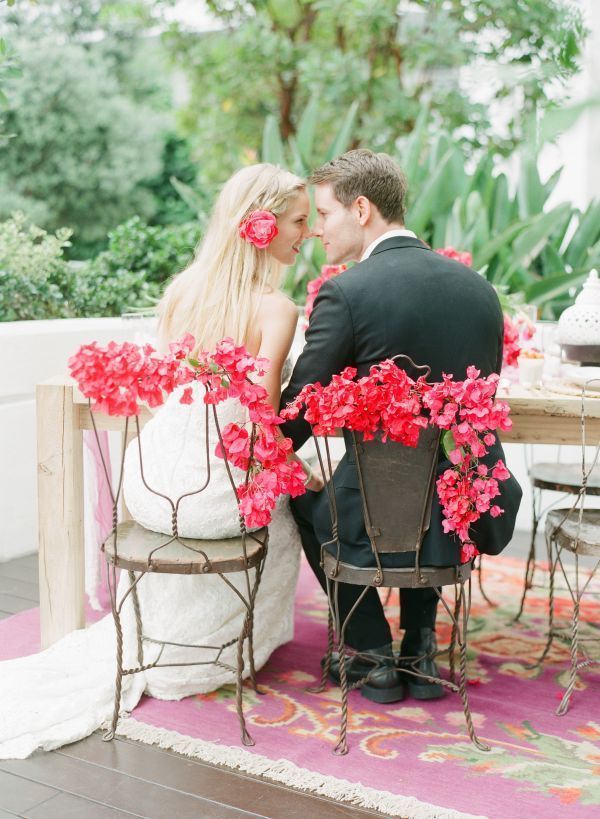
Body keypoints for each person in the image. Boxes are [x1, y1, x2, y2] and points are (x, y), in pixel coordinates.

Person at [0, 163, 318, 759]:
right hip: (216, 496)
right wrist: (303, 471)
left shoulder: (182, 292)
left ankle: (164, 636)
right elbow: (263, 419)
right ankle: (223, 652)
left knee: (240, 505)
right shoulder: (276, 309)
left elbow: (170, 394)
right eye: (300, 221)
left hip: (153, 481)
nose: (310, 233)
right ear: (263, 226)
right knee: (286, 515)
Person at [280, 149, 522, 704]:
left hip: (370, 513)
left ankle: (371, 654)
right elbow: (475, 406)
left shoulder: (346, 292)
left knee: (302, 494)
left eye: (324, 214)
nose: (318, 229)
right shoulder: (479, 291)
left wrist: (269, 441)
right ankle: (420, 648)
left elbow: (299, 411)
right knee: (432, 487)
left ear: (361, 209)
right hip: (460, 510)